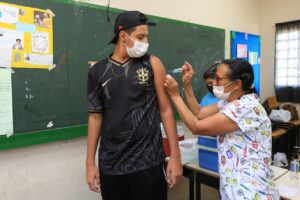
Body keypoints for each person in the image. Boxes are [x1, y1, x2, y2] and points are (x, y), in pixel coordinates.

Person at [86, 10, 182, 200]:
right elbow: (95, 116)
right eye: (140, 36)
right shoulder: (98, 71)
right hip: (111, 163)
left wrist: (175, 158)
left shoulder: (152, 63)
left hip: (148, 161)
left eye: (146, 36)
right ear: (123, 36)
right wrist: (90, 163)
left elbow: (165, 110)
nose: (145, 41)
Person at [164, 58, 280, 200]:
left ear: (237, 84)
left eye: (218, 79)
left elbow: (196, 127)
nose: (214, 83)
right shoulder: (230, 102)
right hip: (234, 186)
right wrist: (187, 85)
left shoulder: (245, 108)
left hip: (251, 191)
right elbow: (198, 112)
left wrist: (175, 96)